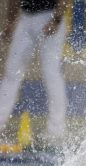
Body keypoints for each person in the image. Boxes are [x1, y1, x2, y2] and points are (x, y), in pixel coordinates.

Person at [0, 0, 68, 144]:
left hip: (49, 16)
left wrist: (56, 20)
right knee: (11, 72)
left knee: (51, 73)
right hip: (25, 19)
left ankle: (56, 131)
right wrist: (10, 21)